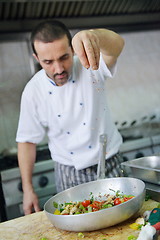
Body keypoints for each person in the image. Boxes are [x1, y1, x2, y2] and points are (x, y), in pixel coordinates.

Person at [16, 20, 125, 215]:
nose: (58, 69)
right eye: (48, 62)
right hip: (68, 174)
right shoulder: (33, 91)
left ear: (72, 50)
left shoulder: (90, 64)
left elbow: (117, 45)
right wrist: (28, 189)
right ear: (36, 57)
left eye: (64, 57)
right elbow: (26, 141)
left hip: (109, 164)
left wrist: (94, 35)